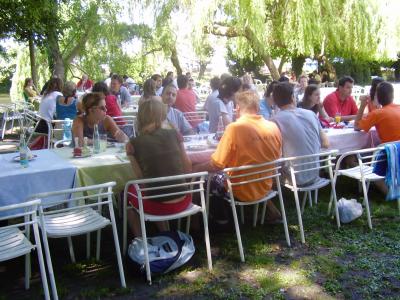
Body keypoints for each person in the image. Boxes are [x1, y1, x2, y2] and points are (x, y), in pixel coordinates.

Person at [192, 90, 283, 222]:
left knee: (207, 179)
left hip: (240, 190)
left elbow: (216, 164)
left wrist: (196, 168)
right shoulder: (273, 127)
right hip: (265, 185)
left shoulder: (234, 129)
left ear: (237, 108)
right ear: (257, 108)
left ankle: (219, 219)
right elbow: (277, 156)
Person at [125, 98, 192, 237]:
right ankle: (166, 234)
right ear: (162, 116)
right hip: (183, 199)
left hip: (156, 205)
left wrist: (130, 156)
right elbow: (188, 168)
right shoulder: (175, 134)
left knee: (126, 193)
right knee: (155, 187)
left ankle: (140, 240)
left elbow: (140, 178)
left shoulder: (134, 142)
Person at [272, 82, 329, 186]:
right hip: (315, 173)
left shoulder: (274, 121)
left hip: (293, 176)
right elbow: (326, 143)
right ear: (293, 97)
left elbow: (273, 152)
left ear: (275, 101)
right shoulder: (311, 114)